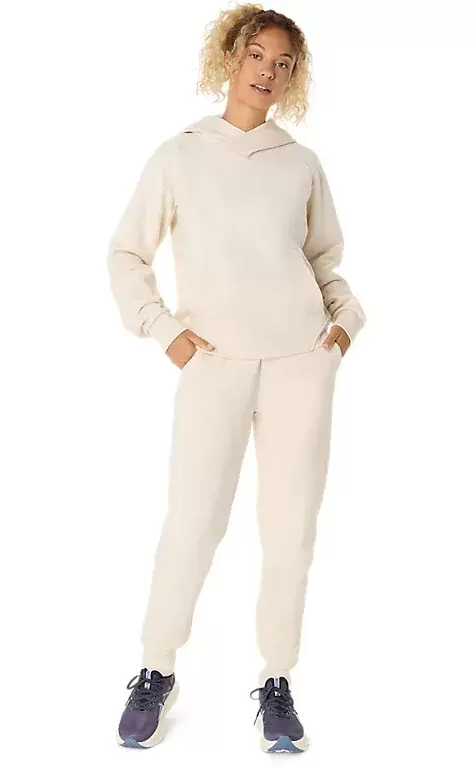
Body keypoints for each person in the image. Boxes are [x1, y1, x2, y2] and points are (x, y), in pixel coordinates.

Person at [105, 3, 365, 753]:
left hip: (299, 365)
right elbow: (126, 254)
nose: (268, 72)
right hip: (214, 363)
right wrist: (164, 331)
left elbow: (323, 262)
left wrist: (344, 324)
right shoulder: (179, 156)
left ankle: (277, 680)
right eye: (257, 55)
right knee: (192, 523)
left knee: (290, 533)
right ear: (229, 57)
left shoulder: (300, 164)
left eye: (284, 63)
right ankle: (156, 667)